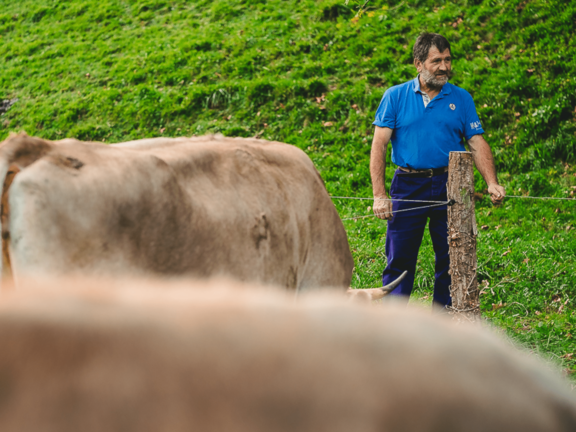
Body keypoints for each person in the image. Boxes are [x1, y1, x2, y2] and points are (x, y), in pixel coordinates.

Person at [370, 32, 506, 308]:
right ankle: (390, 321)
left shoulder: (461, 98)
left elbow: (477, 142)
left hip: (451, 185)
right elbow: (379, 145)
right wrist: (379, 194)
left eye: (447, 59)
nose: (444, 67)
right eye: (436, 61)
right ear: (418, 63)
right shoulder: (395, 96)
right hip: (408, 185)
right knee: (400, 257)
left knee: (451, 255)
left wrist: (491, 181)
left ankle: (445, 320)